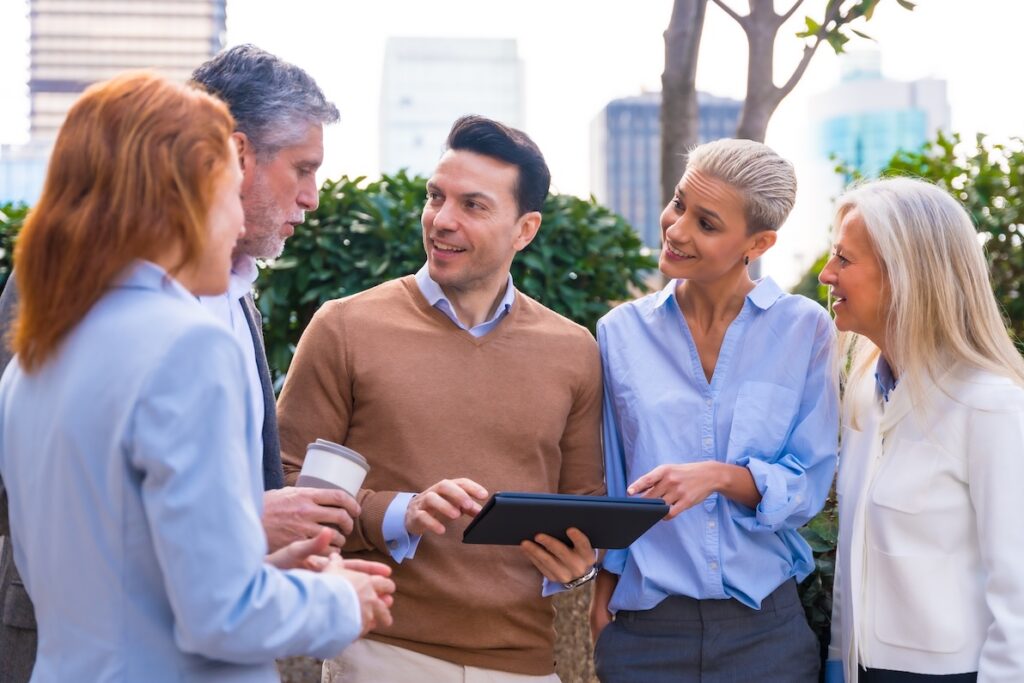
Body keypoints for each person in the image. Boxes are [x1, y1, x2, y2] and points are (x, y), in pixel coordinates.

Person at [0, 71, 396, 681]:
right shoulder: (186, 346)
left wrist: (252, 562)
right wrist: (341, 600)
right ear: (179, 193)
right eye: (224, 186)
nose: (235, 221)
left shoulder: (33, 360)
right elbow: (220, 616)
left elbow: (113, 568)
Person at [276, 115, 604, 683]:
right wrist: (401, 511)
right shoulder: (344, 328)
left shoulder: (574, 350)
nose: (441, 220)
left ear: (524, 230)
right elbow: (286, 490)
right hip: (381, 652)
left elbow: (583, 503)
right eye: (436, 197)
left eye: (473, 206)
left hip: (525, 667)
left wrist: (578, 564)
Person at [591, 138, 838, 682]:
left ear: (758, 242)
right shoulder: (619, 335)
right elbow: (612, 484)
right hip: (644, 633)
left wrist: (722, 477)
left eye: (706, 223)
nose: (676, 229)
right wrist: (600, 610)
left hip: (766, 634)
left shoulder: (805, 330)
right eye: (679, 204)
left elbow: (806, 488)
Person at [819, 177, 1024, 683]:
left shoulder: (991, 405)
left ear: (904, 274)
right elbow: (853, 554)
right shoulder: (866, 387)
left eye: (844, 260)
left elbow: (1018, 597)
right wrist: (836, 660)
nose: (826, 275)